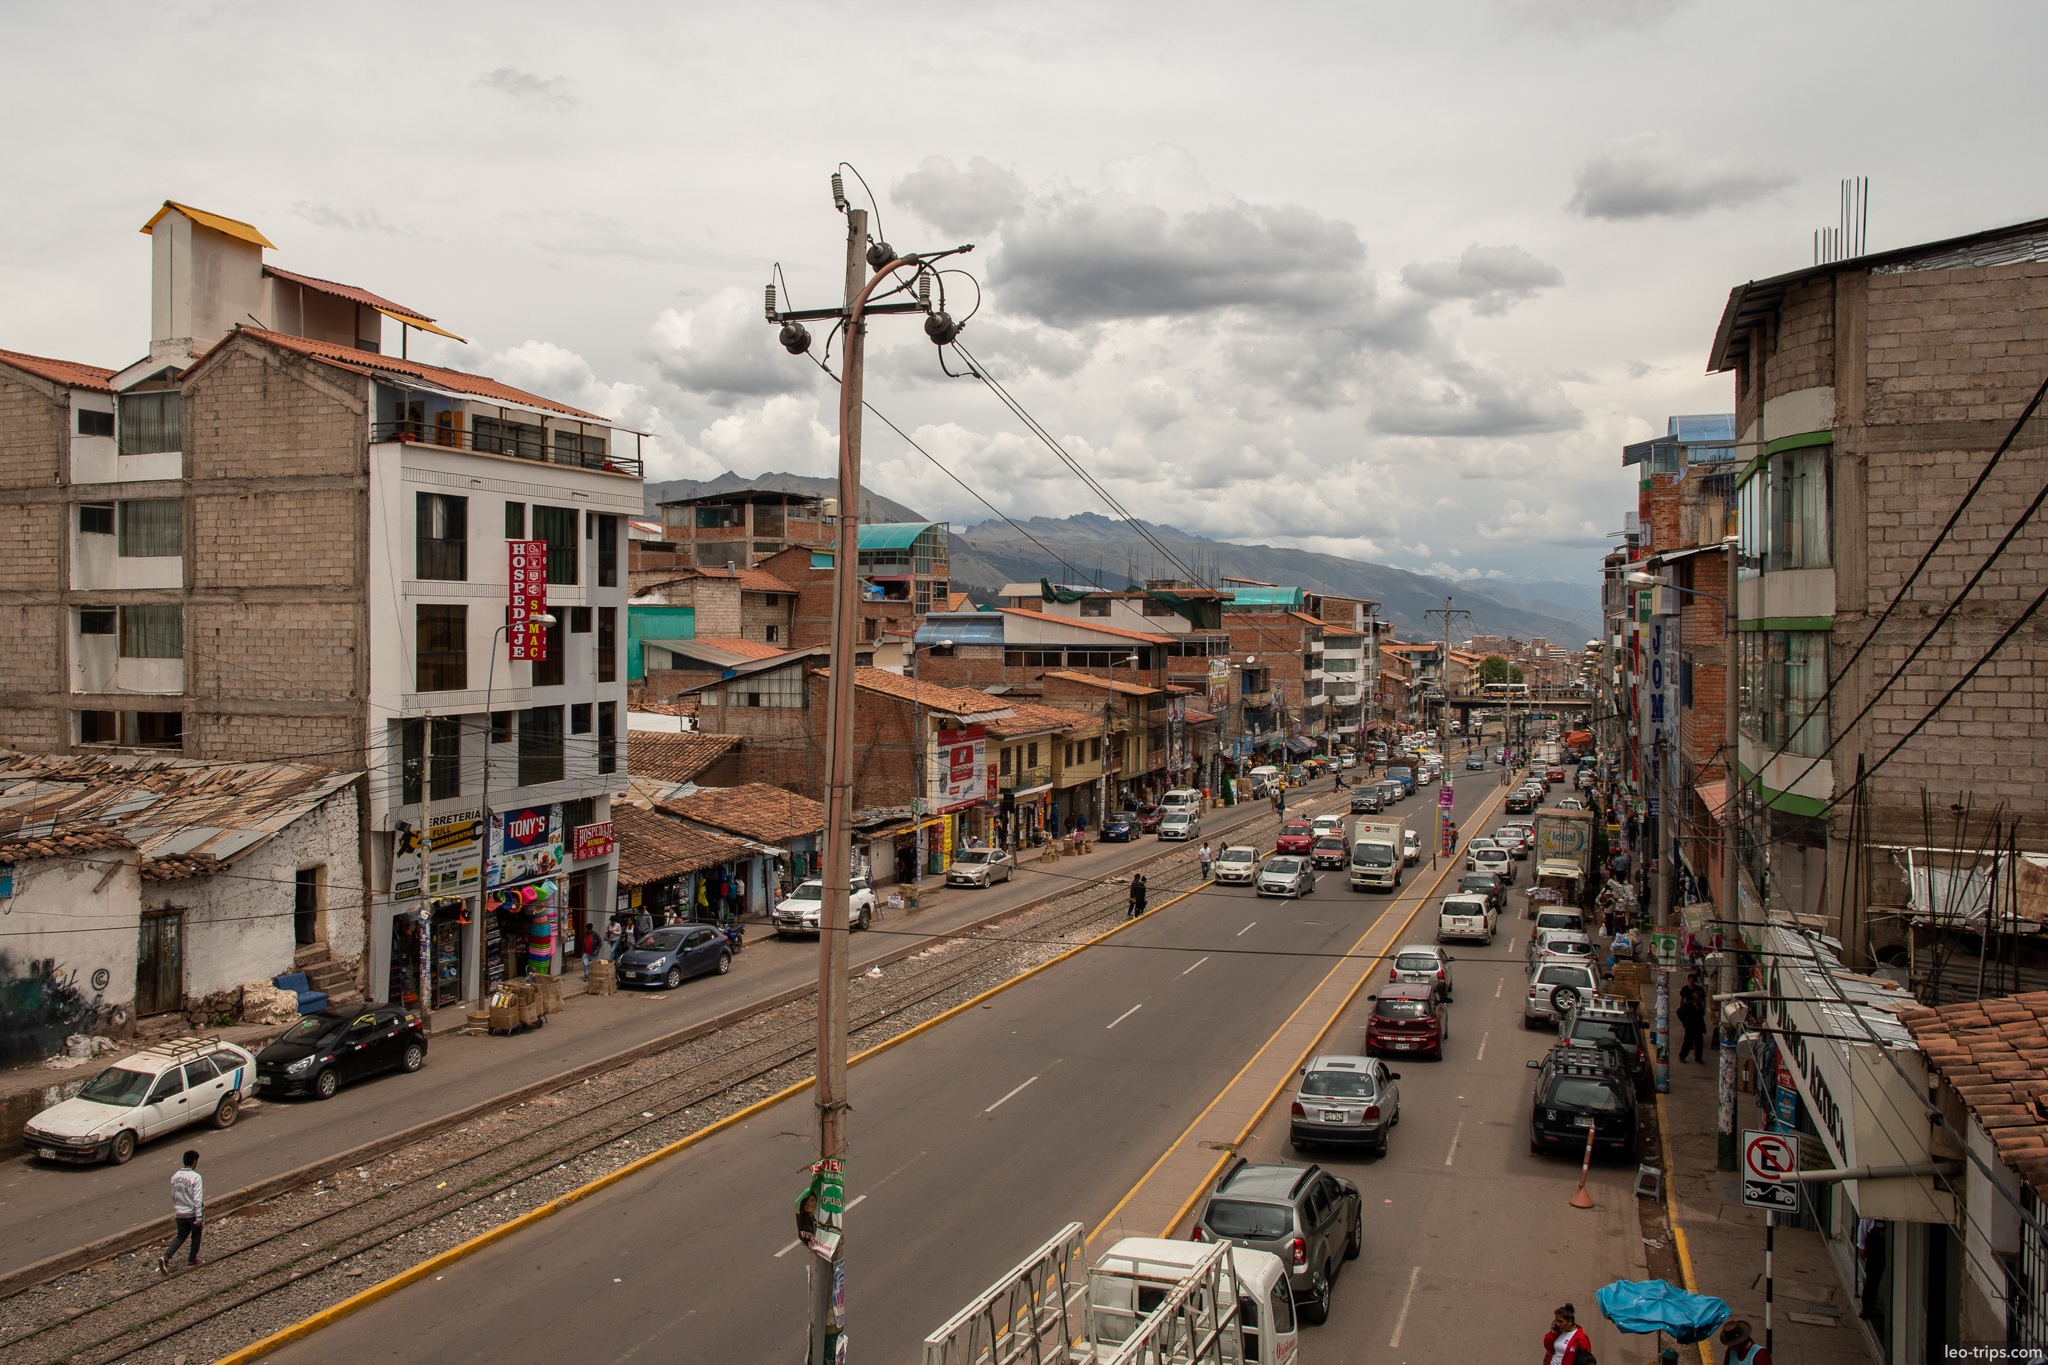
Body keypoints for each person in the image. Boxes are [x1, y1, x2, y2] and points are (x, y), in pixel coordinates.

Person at [160, 1150, 203, 1274]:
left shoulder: (175, 1176)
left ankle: (166, 1257)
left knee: (180, 1236)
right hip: (192, 1213)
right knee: (196, 1236)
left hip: (180, 1213)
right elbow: (197, 1198)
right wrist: (199, 1216)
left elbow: (174, 1195)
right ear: (194, 1161)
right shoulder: (196, 1177)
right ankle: (192, 1260)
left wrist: (178, 1208)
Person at [1677, 984, 1706, 1063]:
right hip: (1690, 1026)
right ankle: (1682, 1056)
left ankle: (1698, 1058)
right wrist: (1684, 1021)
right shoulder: (1688, 1005)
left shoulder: (1699, 1006)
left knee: (1699, 1043)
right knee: (1688, 1042)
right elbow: (1679, 1012)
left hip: (1698, 1026)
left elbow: (1701, 1015)